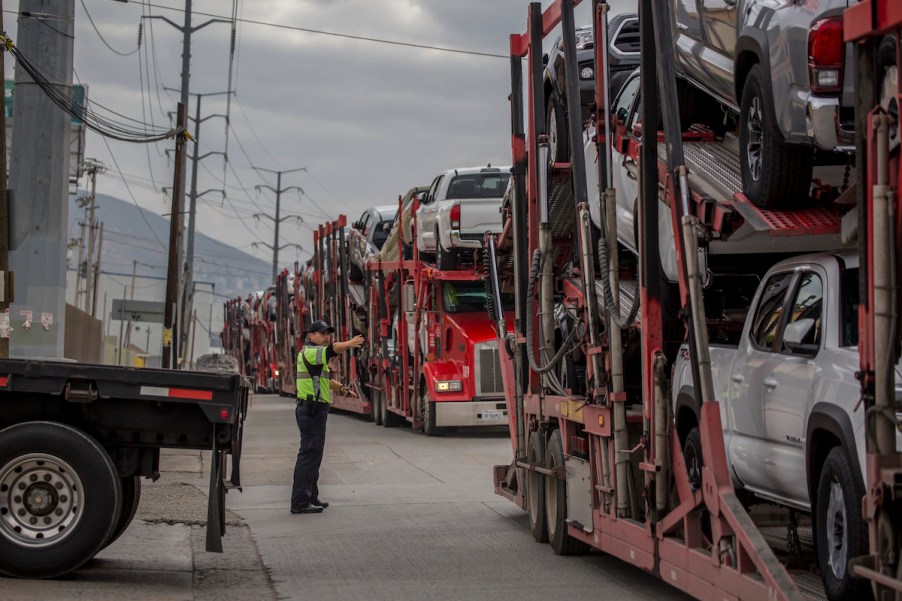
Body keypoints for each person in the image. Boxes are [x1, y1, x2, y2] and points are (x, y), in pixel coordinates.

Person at [290, 320, 364, 514]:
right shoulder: (311, 352)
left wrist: (342, 388)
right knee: (308, 456)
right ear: (311, 335)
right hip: (311, 409)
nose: (326, 337)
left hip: (314, 409)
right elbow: (333, 350)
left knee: (314, 455)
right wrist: (349, 343)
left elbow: (323, 379)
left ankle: (311, 497)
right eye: (322, 334)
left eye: (328, 334)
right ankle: (300, 502)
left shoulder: (315, 357)